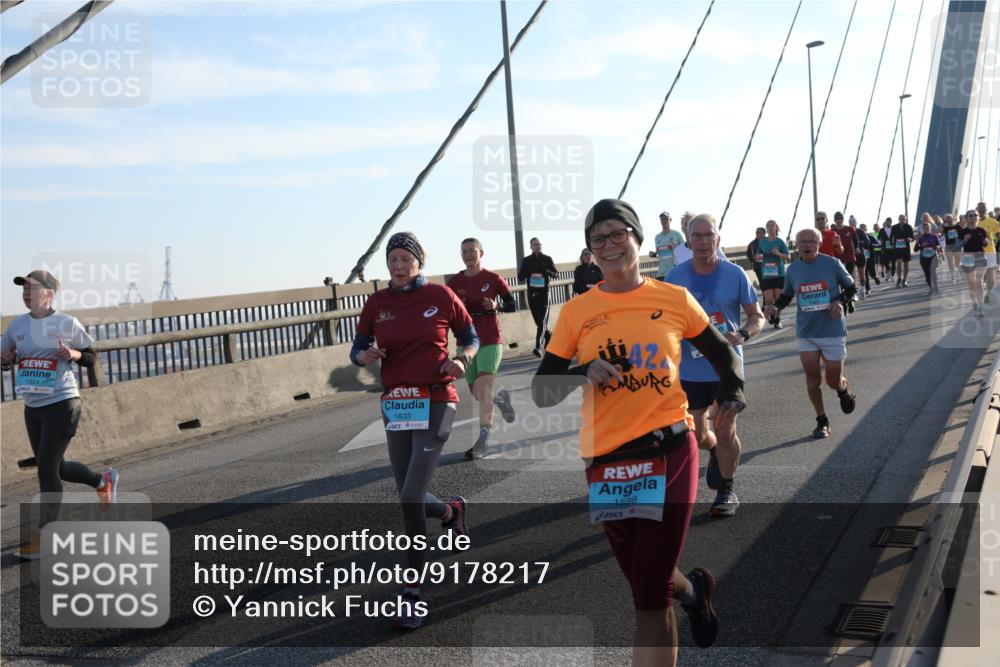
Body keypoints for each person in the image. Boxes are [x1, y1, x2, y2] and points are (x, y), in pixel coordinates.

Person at [534, 198, 744, 664]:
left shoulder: (672, 298)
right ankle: (693, 594)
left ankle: (680, 601)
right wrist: (581, 370)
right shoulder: (576, 311)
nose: (608, 245)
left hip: (669, 448)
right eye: (597, 239)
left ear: (636, 237)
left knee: (648, 598)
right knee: (649, 577)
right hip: (606, 461)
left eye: (617, 234)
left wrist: (732, 394)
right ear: (590, 250)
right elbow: (542, 390)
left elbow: (723, 355)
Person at [352, 232, 477, 629]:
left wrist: (462, 359)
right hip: (398, 404)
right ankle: (450, 511)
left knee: (408, 496)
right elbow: (356, 347)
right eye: (392, 259)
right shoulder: (377, 303)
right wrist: (364, 355)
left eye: (406, 258)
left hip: (438, 397)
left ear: (419, 262)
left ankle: (411, 595)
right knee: (409, 489)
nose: (398, 265)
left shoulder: (440, 296)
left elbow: (470, 335)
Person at [1, 270, 119, 560]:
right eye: (23, 289)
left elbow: (91, 356)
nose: (26, 293)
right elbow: (6, 360)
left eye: (32, 288)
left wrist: (74, 355)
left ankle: (46, 534)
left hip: (63, 402)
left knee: (46, 469)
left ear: (50, 293)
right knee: (57, 466)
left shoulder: (66, 323)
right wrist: (5, 361)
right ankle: (103, 481)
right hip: (33, 406)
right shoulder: (17, 325)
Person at [668, 214, 764, 518]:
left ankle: (726, 488)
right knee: (696, 434)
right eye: (696, 236)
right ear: (688, 240)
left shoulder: (735, 274)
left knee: (725, 429)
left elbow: (756, 315)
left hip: (727, 367)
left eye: (708, 235)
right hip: (690, 369)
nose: (702, 241)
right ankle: (713, 454)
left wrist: (743, 334)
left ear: (717, 240)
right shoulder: (674, 278)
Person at [763, 228, 857, 439]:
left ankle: (842, 388)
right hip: (806, 331)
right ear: (797, 245)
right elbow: (787, 294)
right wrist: (775, 307)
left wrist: (839, 302)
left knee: (832, 381)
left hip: (832, 330)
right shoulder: (793, 269)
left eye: (811, 241)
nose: (807, 245)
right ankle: (822, 420)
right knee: (813, 379)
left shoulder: (832, 264)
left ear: (819, 243)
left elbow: (852, 288)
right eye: (803, 241)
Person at [446, 238, 517, 459]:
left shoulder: (493, 279)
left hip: (489, 339)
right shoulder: (454, 283)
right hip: (466, 344)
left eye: (472, 251)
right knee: (477, 393)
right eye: (464, 251)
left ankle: (483, 439)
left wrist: (496, 305)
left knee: (483, 392)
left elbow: (512, 304)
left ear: (481, 253)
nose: (468, 255)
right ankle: (501, 401)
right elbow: (446, 311)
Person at [518, 237, 559, 357]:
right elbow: (520, 277)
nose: (537, 246)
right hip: (532, 293)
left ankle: (538, 346)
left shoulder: (547, 258)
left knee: (542, 320)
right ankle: (549, 336)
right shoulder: (526, 260)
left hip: (545, 292)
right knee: (538, 320)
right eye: (535, 244)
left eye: (539, 244)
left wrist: (547, 272)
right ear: (531, 247)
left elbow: (556, 274)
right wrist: (528, 271)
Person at [759, 220, 791, 328]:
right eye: (768, 226)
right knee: (768, 300)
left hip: (779, 274)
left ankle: (777, 318)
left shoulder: (780, 242)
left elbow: (788, 257)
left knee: (778, 299)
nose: (770, 227)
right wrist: (758, 257)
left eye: (772, 225)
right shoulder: (762, 242)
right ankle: (772, 315)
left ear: (776, 228)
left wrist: (778, 253)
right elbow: (757, 255)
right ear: (766, 229)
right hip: (766, 274)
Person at [958, 210, 989, 318]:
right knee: (971, 283)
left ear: (977, 218)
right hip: (967, 257)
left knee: (979, 282)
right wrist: (964, 241)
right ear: (966, 218)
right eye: (970, 215)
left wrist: (986, 242)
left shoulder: (981, 230)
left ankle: (980, 308)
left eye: (975, 215)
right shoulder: (962, 231)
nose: (973, 217)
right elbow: (957, 246)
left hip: (980, 256)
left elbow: (986, 242)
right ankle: (974, 301)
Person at [976, 201, 1000, 302]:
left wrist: (993, 240)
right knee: (981, 276)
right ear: (977, 209)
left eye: (983, 208)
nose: (981, 209)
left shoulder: (992, 221)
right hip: (978, 252)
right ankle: (984, 286)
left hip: (990, 251)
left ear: (986, 209)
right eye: (980, 207)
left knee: (991, 274)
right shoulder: (974, 222)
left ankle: (988, 294)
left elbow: (998, 234)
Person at [649, 212, 685, 280]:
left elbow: (684, 250)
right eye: (662, 219)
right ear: (660, 221)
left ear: (670, 220)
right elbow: (659, 254)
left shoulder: (676, 234)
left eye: (666, 219)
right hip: (661, 273)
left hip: (674, 272)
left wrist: (676, 246)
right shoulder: (657, 237)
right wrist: (653, 254)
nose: (664, 221)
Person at [914, 221, 942, 295]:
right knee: (927, 274)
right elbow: (915, 249)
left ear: (930, 229)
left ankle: (935, 287)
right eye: (924, 228)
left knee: (933, 272)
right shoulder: (921, 238)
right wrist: (921, 245)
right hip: (924, 258)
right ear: (922, 229)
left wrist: (938, 247)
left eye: (927, 228)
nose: (926, 229)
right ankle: (931, 287)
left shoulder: (934, 236)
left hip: (933, 256)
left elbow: (938, 245)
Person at [891, 214, 915, 287]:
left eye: (903, 219)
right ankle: (899, 279)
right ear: (898, 219)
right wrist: (892, 242)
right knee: (898, 263)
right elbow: (891, 237)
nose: (902, 220)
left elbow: (912, 238)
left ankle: (904, 279)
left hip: (905, 248)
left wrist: (910, 239)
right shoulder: (894, 227)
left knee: (906, 264)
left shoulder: (908, 227)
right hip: (897, 248)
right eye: (900, 219)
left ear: (905, 220)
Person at [860, 222, 881, 295]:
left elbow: (879, 244)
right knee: (865, 273)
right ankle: (867, 288)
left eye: (864, 228)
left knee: (871, 271)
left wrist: (871, 245)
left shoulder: (870, 236)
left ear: (866, 229)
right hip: (862, 258)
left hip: (870, 256)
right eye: (861, 228)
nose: (863, 230)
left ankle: (875, 277)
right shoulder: (857, 238)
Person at [941, 213, 962, 283]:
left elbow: (963, 234)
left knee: (957, 263)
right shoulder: (945, 227)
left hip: (957, 246)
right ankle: (953, 277)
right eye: (947, 218)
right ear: (946, 220)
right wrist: (943, 224)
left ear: (953, 218)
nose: (949, 219)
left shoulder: (958, 227)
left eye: (950, 218)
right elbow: (937, 230)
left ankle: (962, 272)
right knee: (950, 262)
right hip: (948, 246)